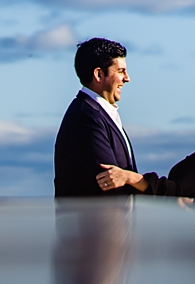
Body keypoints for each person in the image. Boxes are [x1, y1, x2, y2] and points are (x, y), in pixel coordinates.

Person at [54, 38, 138, 198]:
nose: (127, 78)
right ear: (99, 74)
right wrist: (160, 192)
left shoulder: (98, 113)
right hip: (94, 222)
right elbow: (110, 184)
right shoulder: (86, 117)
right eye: (120, 71)